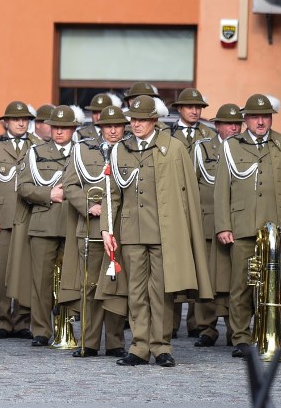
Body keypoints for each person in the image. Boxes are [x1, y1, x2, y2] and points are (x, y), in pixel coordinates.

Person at [101, 95, 213, 367]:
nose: (136, 124)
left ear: (154, 120)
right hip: (131, 231)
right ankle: (139, 347)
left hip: (164, 231)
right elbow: (111, 194)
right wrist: (107, 228)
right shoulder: (120, 150)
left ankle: (162, 346)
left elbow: (186, 194)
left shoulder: (173, 148)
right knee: (136, 292)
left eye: (142, 119)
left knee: (161, 292)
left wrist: (183, 232)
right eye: (133, 119)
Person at [214, 93, 281, 357]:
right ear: (246, 119)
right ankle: (240, 337)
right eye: (254, 117)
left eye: (265, 117)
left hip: (276, 229)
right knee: (240, 286)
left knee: (271, 285)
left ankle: (267, 333)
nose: (260, 122)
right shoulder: (231, 146)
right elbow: (221, 190)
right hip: (242, 227)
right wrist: (223, 226)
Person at [62, 105, 129, 357]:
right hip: (90, 228)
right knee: (89, 286)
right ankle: (88, 342)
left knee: (115, 283)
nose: (113, 130)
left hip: (121, 228)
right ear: (100, 127)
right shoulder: (83, 149)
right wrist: (89, 206)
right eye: (108, 126)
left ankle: (115, 342)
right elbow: (69, 185)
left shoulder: (131, 150)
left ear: (125, 127)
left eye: (118, 125)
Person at [16, 105, 80, 347]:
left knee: (71, 280)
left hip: (73, 223)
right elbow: (22, 187)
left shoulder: (84, 152)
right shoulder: (36, 152)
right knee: (40, 281)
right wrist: (47, 194)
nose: (60, 132)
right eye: (56, 127)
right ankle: (41, 330)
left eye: (65, 127)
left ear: (73, 129)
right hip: (43, 223)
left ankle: (67, 326)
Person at [0, 100, 41, 339]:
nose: (21, 123)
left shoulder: (38, 146)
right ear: (5, 122)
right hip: (3, 216)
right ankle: (1, 322)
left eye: (25, 119)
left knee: (26, 270)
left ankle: (22, 321)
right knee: (0, 273)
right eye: (16, 119)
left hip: (29, 214)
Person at [192, 104, 243, 347]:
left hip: (235, 223)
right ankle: (206, 329)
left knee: (235, 279)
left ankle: (236, 330)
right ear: (217, 125)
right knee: (207, 279)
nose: (234, 127)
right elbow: (192, 185)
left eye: (237, 123)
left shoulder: (244, 148)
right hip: (207, 222)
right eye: (229, 123)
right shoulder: (203, 148)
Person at [167, 88, 215, 339]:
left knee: (200, 264)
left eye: (199, 107)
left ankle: (197, 323)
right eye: (190, 107)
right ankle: (170, 324)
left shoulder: (210, 135)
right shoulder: (166, 134)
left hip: (201, 210)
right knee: (172, 264)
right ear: (179, 109)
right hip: (173, 207)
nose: (195, 111)